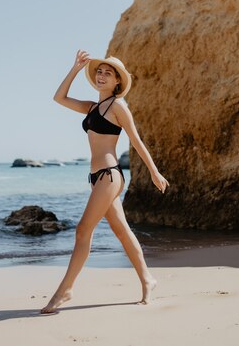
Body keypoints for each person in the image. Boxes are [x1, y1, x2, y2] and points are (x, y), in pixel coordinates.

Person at [40, 49, 169, 314]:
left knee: (82, 230)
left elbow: (136, 140)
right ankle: (148, 279)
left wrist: (154, 172)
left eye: (107, 73)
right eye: (99, 71)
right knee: (122, 231)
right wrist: (76, 68)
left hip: (110, 174)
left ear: (117, 81)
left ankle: (65, 290)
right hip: (96, 177)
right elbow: (59, 97)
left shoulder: (118, 106)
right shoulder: (92, 107)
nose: (101, 75)